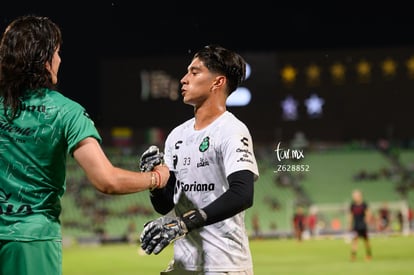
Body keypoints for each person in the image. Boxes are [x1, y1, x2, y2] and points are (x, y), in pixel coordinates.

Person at [0, 15, 170, 275]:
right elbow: (107, 180)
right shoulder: (66, 112)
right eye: (56, 52)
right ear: (43, 60)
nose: (60, 59)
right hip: (31, 241)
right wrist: (157, 178)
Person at [139, 45, 259, 274]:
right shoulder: (176, 136)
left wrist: (184, 223)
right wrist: (154, 181)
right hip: (185, 265)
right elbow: (165, 205)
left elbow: (242, 194)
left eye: (194, 73)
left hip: (224, 265)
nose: (183, 80)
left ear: (217, 82)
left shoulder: (232, 130)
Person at [348, 189, 372, 262]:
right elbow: (351, 215)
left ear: (360, 196)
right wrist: (350, 224)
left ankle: (368, 255)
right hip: (356, 225)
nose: (354, 197)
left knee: (366, 241)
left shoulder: (364, 205)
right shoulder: (352, 205)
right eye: (354, 196)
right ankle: (353, 256)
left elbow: (368, 213)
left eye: (356, 196)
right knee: (355, 240)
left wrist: (367, 220)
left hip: (363, 226)